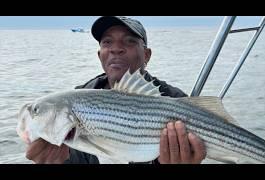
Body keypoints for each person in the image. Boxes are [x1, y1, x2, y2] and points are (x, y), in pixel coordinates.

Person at [25, 16, 206, 164]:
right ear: (100, 55)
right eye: (107, 42)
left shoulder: (175, 99)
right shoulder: (78, 98)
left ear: (147, 54)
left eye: (129, 41)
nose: (116, 49)